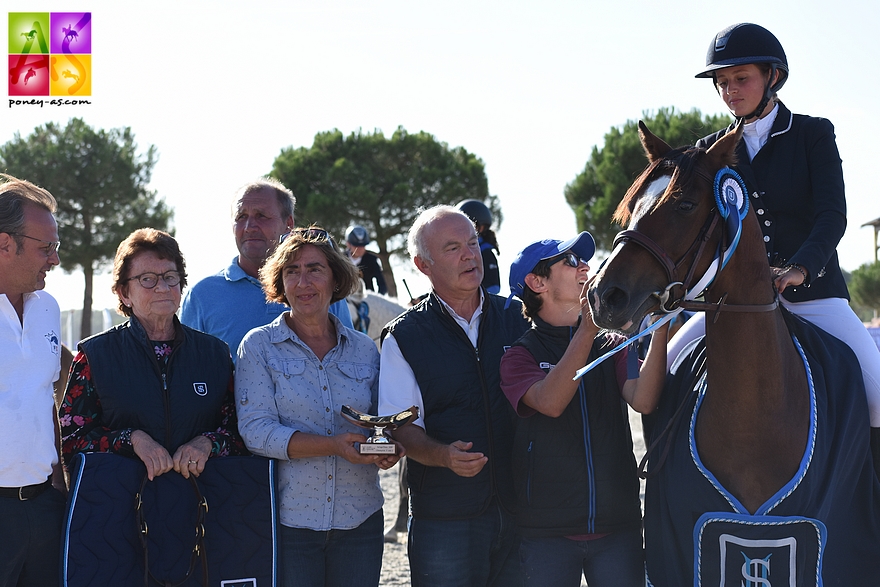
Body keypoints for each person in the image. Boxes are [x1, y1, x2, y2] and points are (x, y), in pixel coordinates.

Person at [667, 22, 880, 464]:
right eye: (722, 83)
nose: (729, 90)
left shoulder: (813, 134)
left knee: (877, 390)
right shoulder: (710, 150)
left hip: (812, 294)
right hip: (733, 300)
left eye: (740, 78)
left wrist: (801, 267)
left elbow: (831, 216)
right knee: (666, 370)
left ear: (773, 77)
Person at [235, 227, 402, 587]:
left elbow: (380, 422)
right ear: (279, 282)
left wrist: (388, 447)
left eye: (315, 269)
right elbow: (256, 432)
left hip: (361, 521)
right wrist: (334, 445)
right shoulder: (259, 347)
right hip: (289, 524)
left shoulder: (365, 349)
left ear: (335, 278)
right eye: (291, 271)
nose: (303, 281)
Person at [500, 233, 669, 587]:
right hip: (546, 534)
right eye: (570, 261)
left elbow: (644, 400)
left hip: (617, 528)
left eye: (583, 260)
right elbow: (551, 401)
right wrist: (589, 328)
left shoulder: (613, 345)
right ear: (536, 282)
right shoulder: (518, 356)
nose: (586, 267)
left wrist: (661, 324)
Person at [378, 205, 530, 587]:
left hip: (524, 511)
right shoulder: (404, 337)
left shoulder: (520, 318)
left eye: (473, 243)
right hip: (444, 520)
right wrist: (444, 456)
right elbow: (401, 428)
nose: (469, 254)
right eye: (452, 248)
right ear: (422, 264)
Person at [59, 228, 246, 480]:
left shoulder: (215, 353)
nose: (162, 287)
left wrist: (207, 443)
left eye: (170, 277)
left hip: (202, 504)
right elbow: (70, 440)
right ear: (124, 294)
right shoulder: (95, 356)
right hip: (120, 504)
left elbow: (241, 432)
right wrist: (131, 440)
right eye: (147, 279)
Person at [180, 178, 352, 360]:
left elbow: (349, 361)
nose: (249, 227)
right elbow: (187, 372)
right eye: (241, 217)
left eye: (261, 215)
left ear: (289, 223)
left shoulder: (320, 291)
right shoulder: (202, 296)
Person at [0, 174, 65, 587]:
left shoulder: (48, 308)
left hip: (44, 508)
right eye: (47, 249)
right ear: (5, 244)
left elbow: (49, 395)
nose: (55, 260)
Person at [458, 199, 501, 294]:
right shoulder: (454, 253)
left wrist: (469, 298)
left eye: (468, 225)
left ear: (481, 228)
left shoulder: (486, 253)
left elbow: (494, 287)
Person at [345, 224, 388, 295]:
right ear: (348, 244)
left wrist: (377, 300)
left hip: (367, 300)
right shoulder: (341, 258)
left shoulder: (371, 259)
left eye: (363, 246)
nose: (360, 249)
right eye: (356, 246)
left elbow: (381, 284)